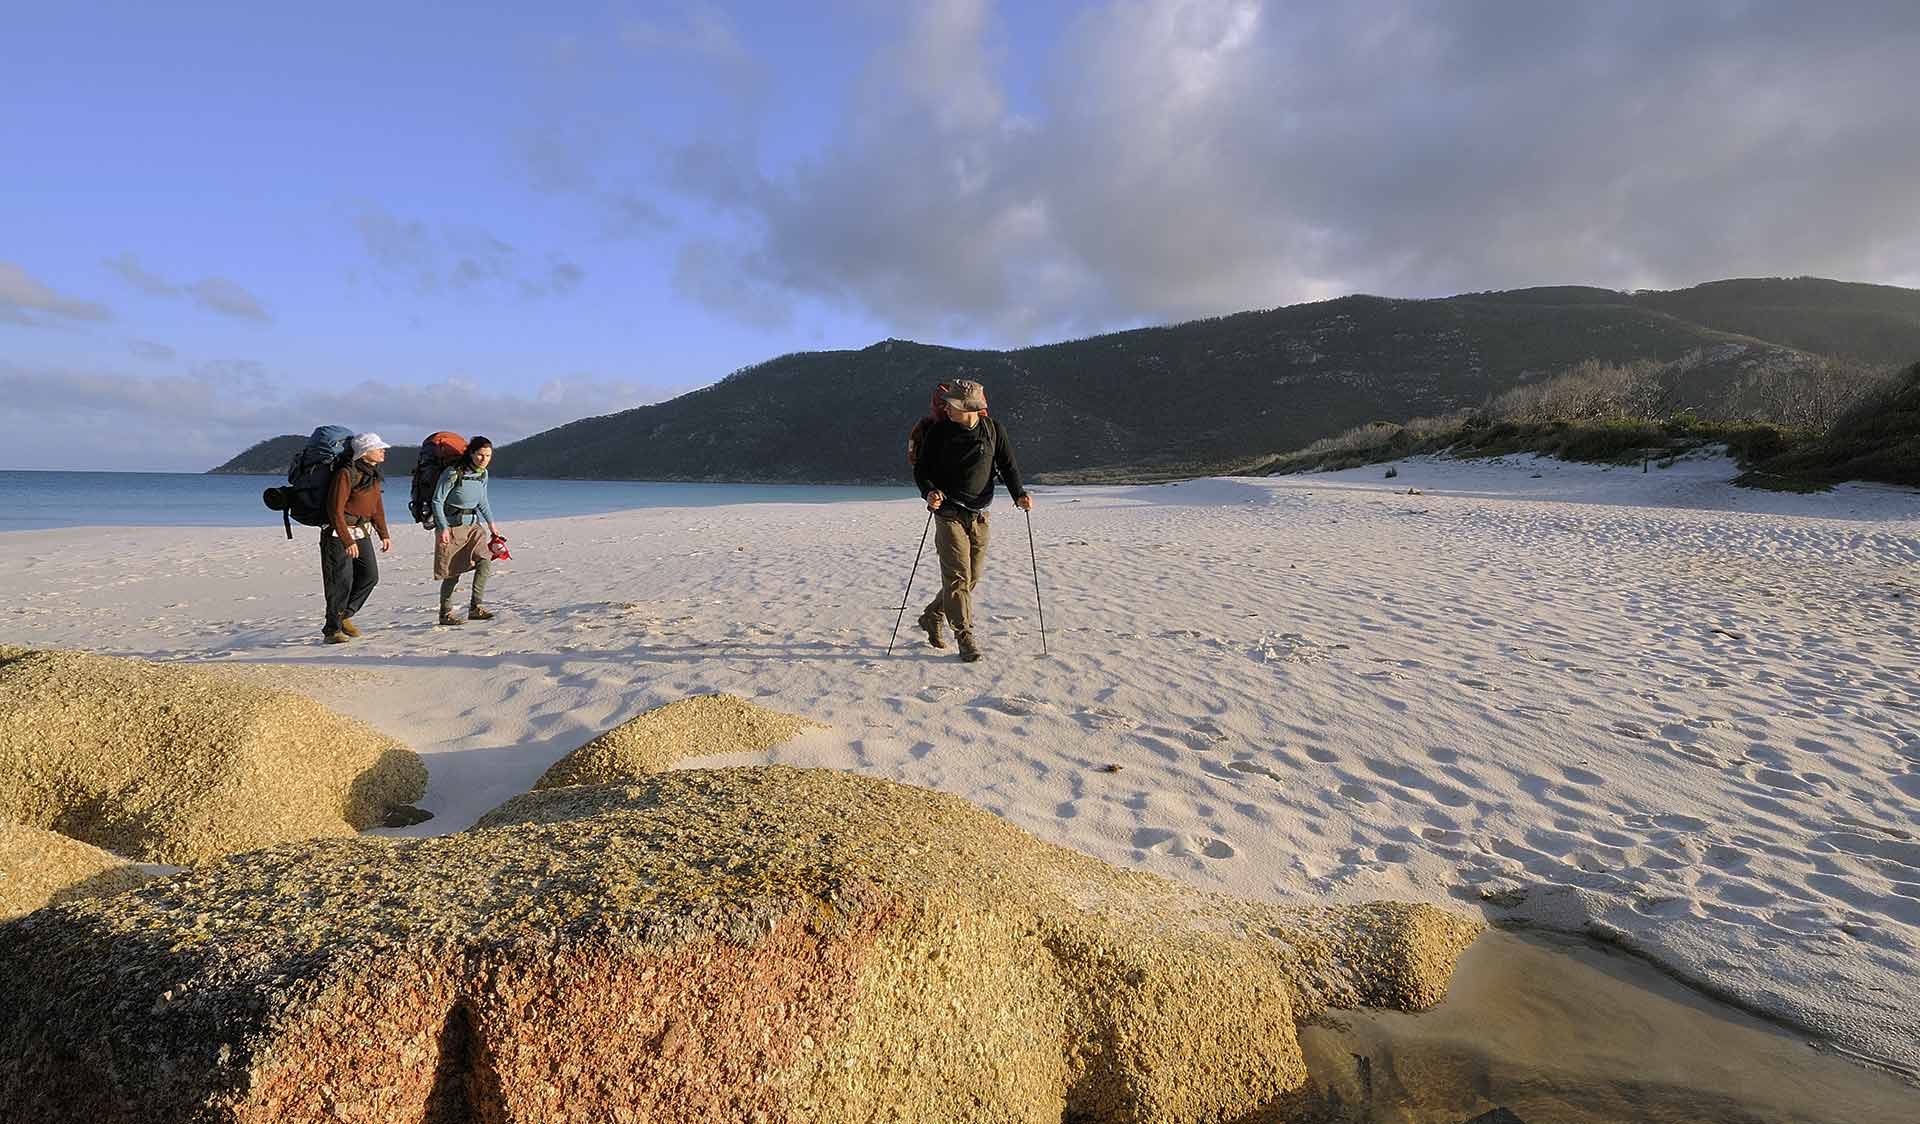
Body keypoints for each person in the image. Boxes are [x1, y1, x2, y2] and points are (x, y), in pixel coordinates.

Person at [912, 378, 1032, 662]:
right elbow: (922, 470)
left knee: (971, 578)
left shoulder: (993, 430)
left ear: (969, 408)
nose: (946, 409)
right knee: (957, 577)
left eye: (951, 405)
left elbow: (1008, 466)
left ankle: (932, 615)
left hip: (979, 513)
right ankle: (965, 637)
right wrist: (929, 491)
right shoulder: (939, 432)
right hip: (948, 513)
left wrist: (1020, 495)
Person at [321, 433, 393, 644]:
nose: (383, 450)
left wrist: (384, 534)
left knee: (370, 576)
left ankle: (344, 615)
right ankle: (332, 630)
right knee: (340, 581)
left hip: (362, 531)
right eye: (378, 448)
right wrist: (347, 540)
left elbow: (376, 509)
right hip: (338, 534)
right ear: (364, 452)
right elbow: (334, 510)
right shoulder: (346, 473)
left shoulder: (373, 474)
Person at [431, 436, 500, 625]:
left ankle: (475, 607)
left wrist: (492, 525)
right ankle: (445, 614)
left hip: (474, 526)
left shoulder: (483, 474)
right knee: (452, 573)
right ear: (471, 453)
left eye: (488, 455)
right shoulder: (453, 473)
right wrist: (443, 527)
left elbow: (483, 501)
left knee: (485, 561)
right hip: (452, 527)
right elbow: (437, 501)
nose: (484, 459)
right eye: (480, 455)